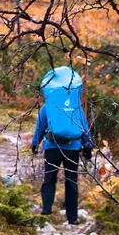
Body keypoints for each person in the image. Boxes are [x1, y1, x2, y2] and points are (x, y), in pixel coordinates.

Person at [30, 66, 92, 225]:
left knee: (49, 179)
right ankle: (72, 218)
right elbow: (83, 126)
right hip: (72, 148)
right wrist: (88, 145)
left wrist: (35, 144)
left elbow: (40, 126)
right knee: (71, 181)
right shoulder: (76, 106)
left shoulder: (48, 105)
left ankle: (46, 213)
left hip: (52, 147)